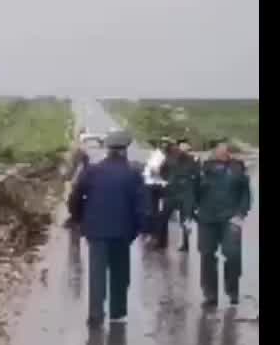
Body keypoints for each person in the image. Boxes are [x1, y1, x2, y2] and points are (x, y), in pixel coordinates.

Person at [68, 130, 150, 325]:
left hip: (96, 231)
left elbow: (75, 198)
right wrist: (142, 229)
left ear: (108, 150)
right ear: (124, 151)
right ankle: (117, 312)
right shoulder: (133, 174)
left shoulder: (92, 171)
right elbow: (142, 205)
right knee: (120, 272)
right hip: (123, 232)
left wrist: (78, 219)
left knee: (97, 273)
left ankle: (95, 315)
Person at [191, 140, 253, 310]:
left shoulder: (237, 169)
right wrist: (190, 212)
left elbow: (245, 195)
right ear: (213, 152)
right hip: (207, 219)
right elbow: (191, 193)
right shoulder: (203, 170)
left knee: (232, 254)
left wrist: (241, 214)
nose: (223, 153)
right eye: (219, 149)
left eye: (226, 150)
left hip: (230, 219)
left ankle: (232, 290)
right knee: (207, 256)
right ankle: (210, 295)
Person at [166, 137, 200, 252]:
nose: (183, 149)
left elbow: (198, 176)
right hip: (175, 192)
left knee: (185, 219)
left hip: (188, 192)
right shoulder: (173, 159)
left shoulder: (194, 159)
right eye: (181, 146)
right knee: (169, 216)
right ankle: (162, 239)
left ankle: (186, 243)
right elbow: (166, 171)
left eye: (185, 146)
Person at [142, 138, 171, 247]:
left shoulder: (159, 156)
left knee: (154, 212)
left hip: (156, 186)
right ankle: (157, 237)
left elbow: (155, 170)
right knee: (153, 212)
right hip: (153, 185)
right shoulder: (156, 155)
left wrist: (151, 171)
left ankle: (157, 237)